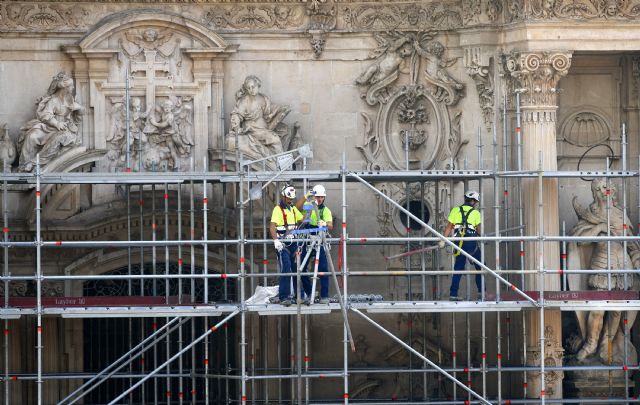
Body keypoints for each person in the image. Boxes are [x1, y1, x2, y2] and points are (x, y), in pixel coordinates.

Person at [568, 179, 640, 362]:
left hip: (623, 267)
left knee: (617, 311)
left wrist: (637, 259)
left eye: (605, 188)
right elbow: (579, 239)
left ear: (612, 191)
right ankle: (591, 343)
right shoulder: (590, 214)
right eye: (598, 189)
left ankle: (605, 346)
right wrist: (599, 228)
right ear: (594, 193)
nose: (603, 192)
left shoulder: (620, 215)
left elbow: (631, 243)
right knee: (598, 309)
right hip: (601, 264)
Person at [18, 72, 84, 172]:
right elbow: (46, 115)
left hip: (65, 129)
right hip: (50, 127)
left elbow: (79, 116)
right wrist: (57, 123)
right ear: (65, 88)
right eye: (71, 86)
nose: (73, 88)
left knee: (57, 140)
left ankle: (34, 163)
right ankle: (24, 166)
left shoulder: (70, 100)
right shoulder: (54, 100)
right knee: (32, 136)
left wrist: (79, 108)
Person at [270, 184, 312, 306]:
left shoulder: (292, 209)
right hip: (282, 244)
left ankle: (299, 295)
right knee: (286, 268)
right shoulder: (278, 210)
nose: (290, 200)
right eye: (288, 198)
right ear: (283, 196)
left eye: (291, 199)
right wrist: (275, 240)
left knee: (296, 269)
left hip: (293, 244)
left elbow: (302, 218)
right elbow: (272, 226)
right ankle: (284, 297)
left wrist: (310, 211)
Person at [228, 75, 290, 158]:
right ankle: (281, 163)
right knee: (274, 139)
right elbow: (237, 114)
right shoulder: (244, 100)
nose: (251, 90)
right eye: (249, 88)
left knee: (285, 130)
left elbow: (270, 109)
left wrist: (281, 109)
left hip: (265, 127)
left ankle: (279, 159)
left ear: (258, 85)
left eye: (253, 87)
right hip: (253, 129)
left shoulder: (263, 98)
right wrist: (236, 125)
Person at [439, 191, 483, 301]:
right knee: (481, 267)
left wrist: (443, 240)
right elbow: (478, 229)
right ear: (472, 201)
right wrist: (483, 237)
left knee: (458, 268)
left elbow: (449, 227)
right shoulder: (476, 213)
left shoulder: (455, 210)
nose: (476, 204)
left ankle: (453, 294)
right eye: (476, 202)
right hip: (470, 241)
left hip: (459, 242)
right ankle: (482, 292)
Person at [303, 184, 334, 304]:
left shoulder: (326, 211)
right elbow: (303, 221)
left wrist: (325, 224)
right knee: (300, 266)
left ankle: (324, 295)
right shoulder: (309, 207)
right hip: (309, 240)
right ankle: (309, 292)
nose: (319, 199)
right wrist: (308, 215)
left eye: (321, 197)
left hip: (320, 240)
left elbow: (330, 225)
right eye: (317, 197)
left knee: (323, 268)